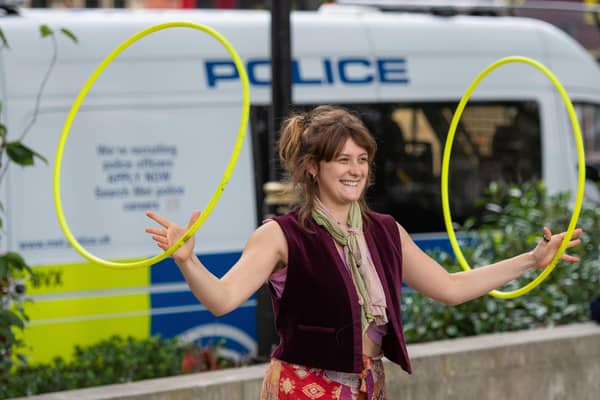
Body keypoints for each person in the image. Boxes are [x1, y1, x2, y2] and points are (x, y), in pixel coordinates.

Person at [145, 105, 583, 400]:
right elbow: (222, 300)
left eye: (362, 159)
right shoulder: (281, 235)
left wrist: (531, 259)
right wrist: (187, 260)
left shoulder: (385, 231)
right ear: (313, 167)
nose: (355, 170)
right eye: (342, 160)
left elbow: (450, 287)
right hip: (303, 387)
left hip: (368, 384)